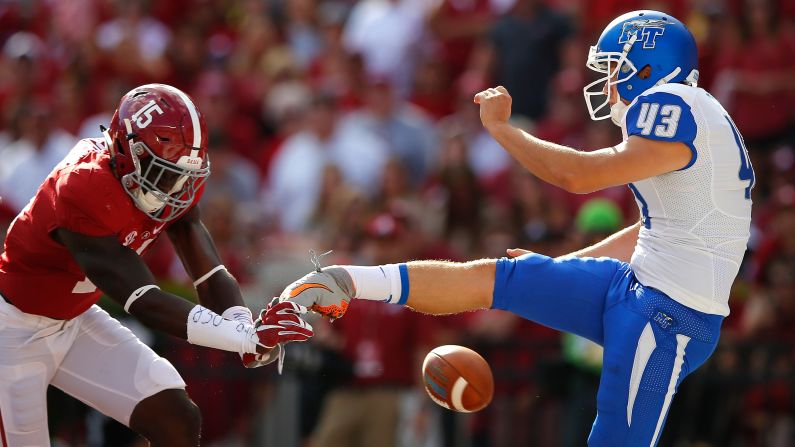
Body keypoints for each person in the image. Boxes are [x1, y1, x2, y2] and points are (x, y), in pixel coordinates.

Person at [280, 10, 754, 447]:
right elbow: (651, 230)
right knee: (500, 276)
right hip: (637, 284)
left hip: (668, 315)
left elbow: (578, 176)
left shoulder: (672, 104)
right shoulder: (694, 117)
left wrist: (504, 131)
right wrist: (564, 267)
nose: (607, 81)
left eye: (615, 67)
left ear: (648, 68)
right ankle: (347, 279)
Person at [0, 84, 314, 446]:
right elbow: (144, 299)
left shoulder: (169, 177)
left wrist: (243, 324)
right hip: (13, 330)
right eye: (162, 171)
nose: (175, 186)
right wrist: (241, 337)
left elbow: (209, 273)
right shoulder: (82, 186)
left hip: (73, 318)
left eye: (182, 173)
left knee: (176, 418)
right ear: (125, 151)